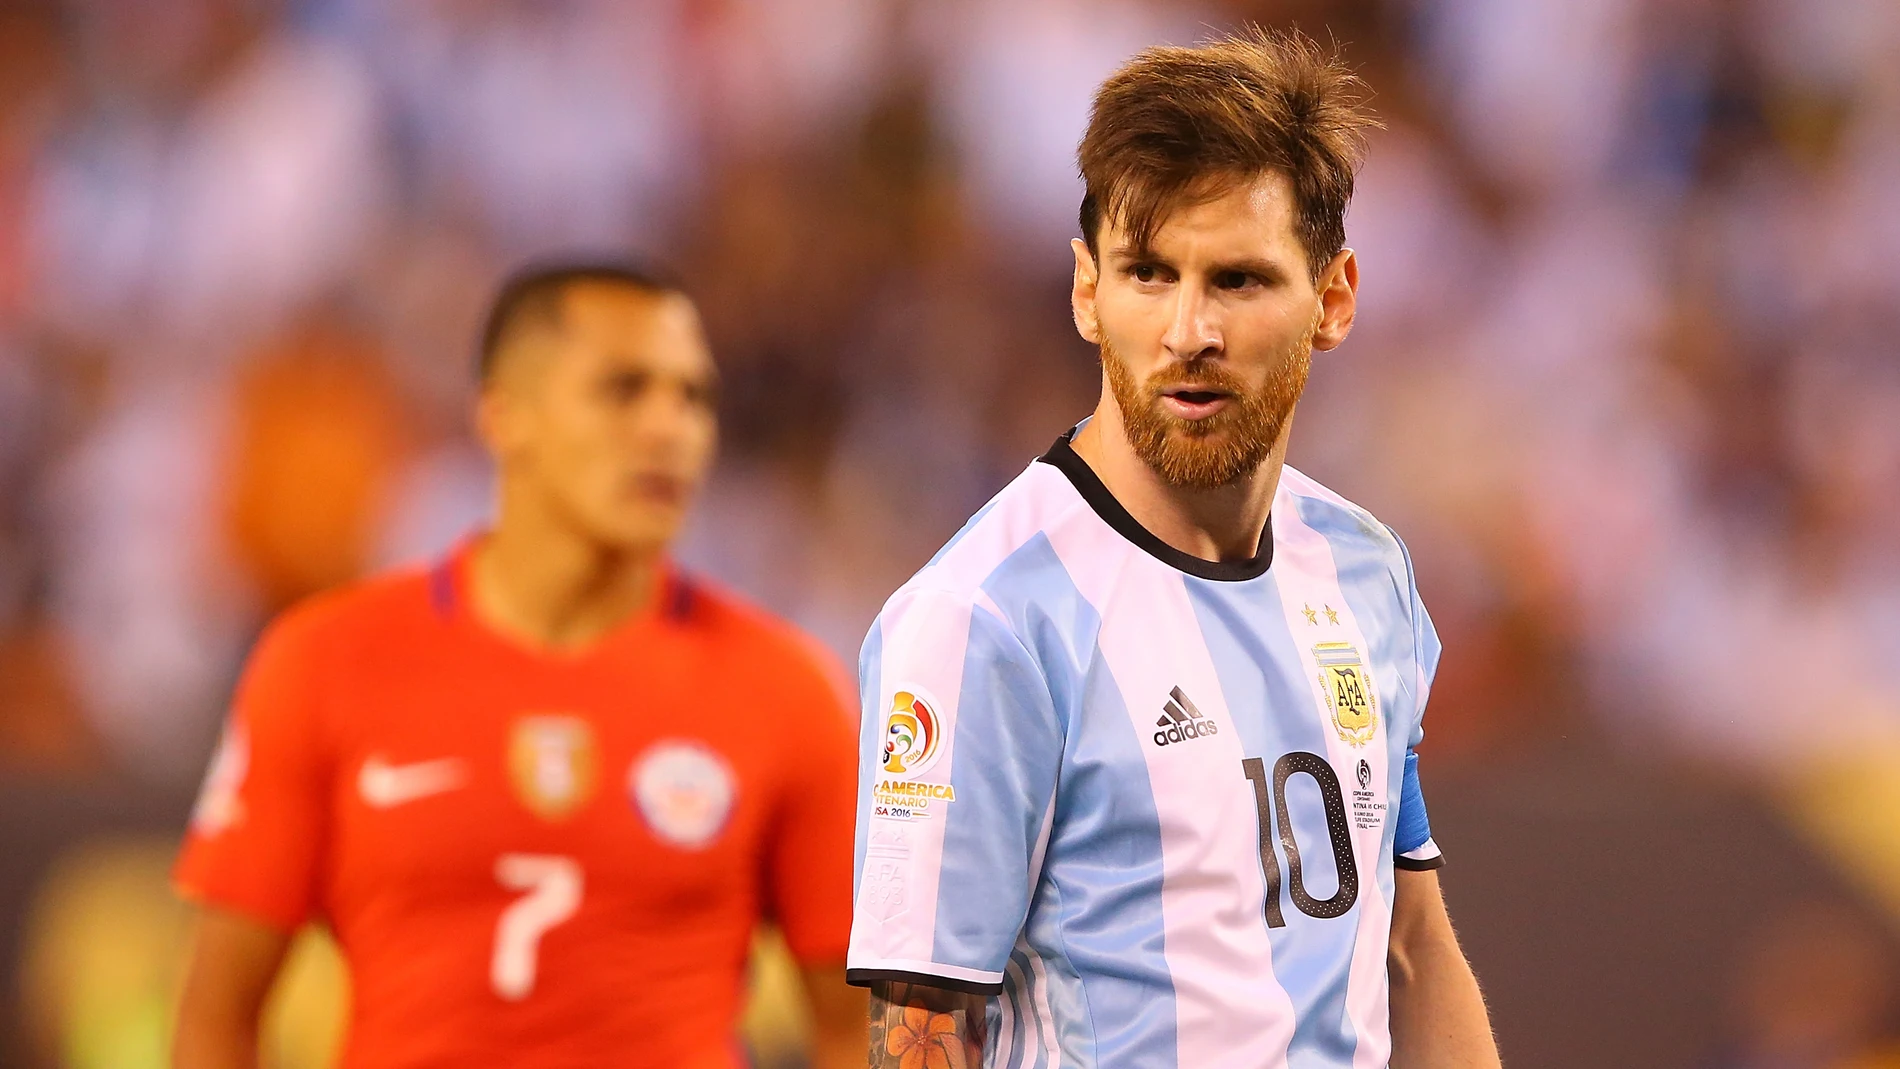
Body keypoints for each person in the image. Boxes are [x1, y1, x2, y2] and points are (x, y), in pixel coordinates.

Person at [846, 30, 1502, 1069]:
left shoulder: (1363, 570)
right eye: (1147, 274)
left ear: (1331, 299)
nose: (1186, 328)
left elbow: (1411, 949)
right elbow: (922, 1033)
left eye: (1237, 280)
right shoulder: (982, 619)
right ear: (1084, 291)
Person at [171, 263, 867, 1069]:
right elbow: (215, 1018)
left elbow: (858, 1029)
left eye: (694, 398)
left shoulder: (785, 690)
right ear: (505, 416)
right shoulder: (326, 661)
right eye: (624, 389)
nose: (669, 429)